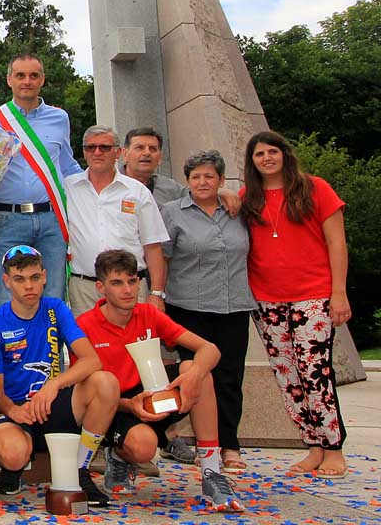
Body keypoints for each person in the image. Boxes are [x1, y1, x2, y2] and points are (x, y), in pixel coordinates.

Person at [76, 250, 244, 512]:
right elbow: (85, 393)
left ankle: (211, 473)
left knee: (196, 370)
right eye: (117, 283)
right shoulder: (84, 325)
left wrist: (193, 377)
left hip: (155, 394)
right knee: (144, 448)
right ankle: (118, 455)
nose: (127, 290)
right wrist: (130, 405)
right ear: (100, 288)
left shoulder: (148, 313)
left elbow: (210, 349)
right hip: (118, 405)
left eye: (132, 281)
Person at [241, 130, 350, 477]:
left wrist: (339, 292)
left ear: (285, 154)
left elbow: (337, 243)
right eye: (259, 154)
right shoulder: (248, 198)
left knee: (315, 372)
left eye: (272, 151)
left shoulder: (315, 189)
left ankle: (333, 447)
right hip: (267, 300)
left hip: (313, 296)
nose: (267, 158)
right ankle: (312, 446)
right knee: (288, 376)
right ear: (252, 162)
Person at [0, 246, 117, 507]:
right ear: (6, 281)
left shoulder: (55, 308)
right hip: (18, 410)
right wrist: (12, 410)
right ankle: (12, 470)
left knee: (106, 383)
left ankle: (79, 470)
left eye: (35, 277)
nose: (29, 286)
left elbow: (92, 360)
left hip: (52, 403)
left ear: (45, 277)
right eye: (20, 279)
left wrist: (53, 386)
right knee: (13, 454)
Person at [160, 150, 253, 473]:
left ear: (221, 180)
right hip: (189, 308)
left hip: (233, 306)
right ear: (187, 181)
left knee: (230, 378)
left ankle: (229, 446)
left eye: (209, 176)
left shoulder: (237, 211)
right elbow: (162, 257)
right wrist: (158, 298)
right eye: (196, 176)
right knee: (196, 377)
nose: (202, 182)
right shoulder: (172, 212)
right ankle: (204, 443)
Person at [0, 54, 84, 307]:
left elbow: (67, 165)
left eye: (33, 75)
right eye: (20, 75)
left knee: (54, 294)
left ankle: (50, 335)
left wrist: (96, 188)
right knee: (8, 297)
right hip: (8, 218)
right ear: (9, 80)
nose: (27, 81)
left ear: (42, 79)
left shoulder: (59, 118)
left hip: (52, 218)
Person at [64, 126, 168, 313]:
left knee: (135, 334)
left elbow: (153, 246)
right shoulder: (67, 188)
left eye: (104, 147)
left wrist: (157, 293)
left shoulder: (137, 192)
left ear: (118, 152)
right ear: (84, 152)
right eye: (90, 147)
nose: (97, 152)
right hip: (84, 290)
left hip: (130, 288)